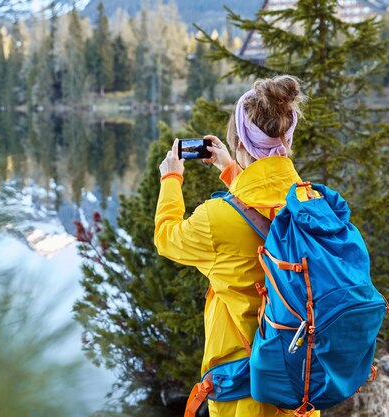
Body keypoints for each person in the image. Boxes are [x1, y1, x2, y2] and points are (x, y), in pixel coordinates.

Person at [154, 75, 321, 417]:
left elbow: (166, 238)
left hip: (246, 390)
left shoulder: (216, 218)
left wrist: (171, 179)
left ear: (240, 141)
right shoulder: (311, 201)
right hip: (301, 385)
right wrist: (231, 170)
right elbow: (267, 214)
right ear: (285, 138)